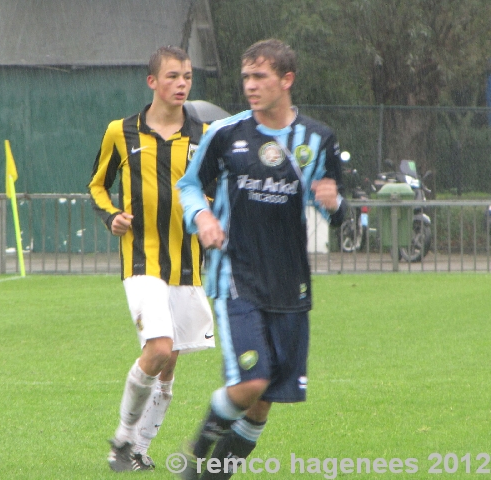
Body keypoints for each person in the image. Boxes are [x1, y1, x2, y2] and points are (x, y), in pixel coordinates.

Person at [176, 39, 347, 479]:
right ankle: (197, 452)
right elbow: (189, 185)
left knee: (263, 401)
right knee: (249, 383)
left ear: (286, 80)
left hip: (290, 282)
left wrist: (334, 203)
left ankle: (215, 474)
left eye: (260, 77)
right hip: (237, 274)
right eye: (246, 77)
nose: (250, 86)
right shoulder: (226, 133)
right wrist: (202, 217)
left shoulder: (317, 140)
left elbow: (338, 211)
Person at [88, 45, 215, 472]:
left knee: (171, 359)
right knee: (158, 347)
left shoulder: (205, 134)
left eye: (188, 77)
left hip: (187, 262)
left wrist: (211, 215)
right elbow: (97, 185)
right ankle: (122, 438)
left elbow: (213, 188)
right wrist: (111, 218)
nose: (182, 84)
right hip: (142, 260)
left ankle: (140, 447)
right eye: (174, 76)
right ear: (153, 82)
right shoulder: (119, 132)